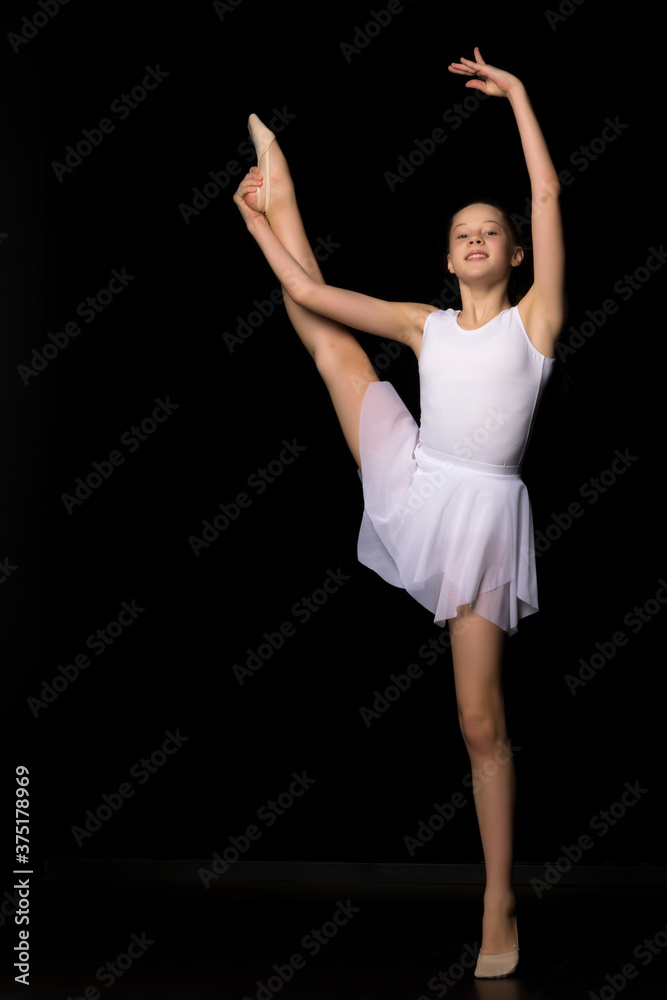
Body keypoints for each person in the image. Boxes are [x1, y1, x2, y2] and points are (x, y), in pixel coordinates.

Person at [233, 48, 565, 979]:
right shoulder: (424, 321)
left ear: (514, 254)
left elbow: (545, 193)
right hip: (418, 471)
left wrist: (520, 96)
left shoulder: (533, 324)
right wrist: (258, 225)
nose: (473, 237)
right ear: (447, 254)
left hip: (481, 515)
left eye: (489, 230)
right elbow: (305, 291)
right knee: (328, 343)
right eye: (460, 229)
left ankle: (498, 895)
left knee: (478, 723)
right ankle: (281, 185)